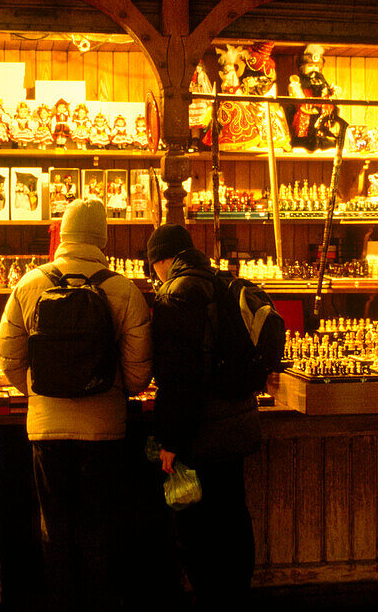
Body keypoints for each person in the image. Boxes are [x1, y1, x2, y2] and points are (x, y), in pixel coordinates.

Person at [0, 198, 152, 611]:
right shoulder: (122, 289)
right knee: (100, 528)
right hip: (104, 430)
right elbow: (138, 376)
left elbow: (9, 357)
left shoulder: (29, 284)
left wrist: (38, 391)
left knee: (56, 529)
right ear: (102, 237)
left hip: (46, 429)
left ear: (63, 234)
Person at [145, 224, 262, 611]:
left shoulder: (175, 295)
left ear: (163, 260)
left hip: (200, 431)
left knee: (197, 527)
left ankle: (212, 599)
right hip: (237, 423)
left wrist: (171, 442)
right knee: (232, 515)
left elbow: (180, 381)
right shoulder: (225, 284)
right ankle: (237, 595)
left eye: (153, 265)